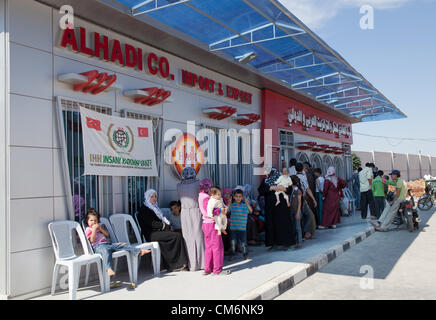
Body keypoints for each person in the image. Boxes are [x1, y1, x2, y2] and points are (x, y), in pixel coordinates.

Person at [84, 208, 151, 282]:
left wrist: (100, 229)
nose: (93, 222)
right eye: (91, 220)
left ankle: (139, 251)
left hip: (107, 244)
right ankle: (108, 268)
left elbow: (107, 235)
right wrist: (93, 230)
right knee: (106, 251)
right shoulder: (88, 229)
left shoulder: (98, 228)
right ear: (87, 221)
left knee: (122, 245)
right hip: (98, 247)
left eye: (95, 220)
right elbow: (92, 240)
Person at [137, 189, 188, 272]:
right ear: (147, 198)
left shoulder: (154, 207)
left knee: (174, 234)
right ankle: (178, 264)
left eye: (155, 196)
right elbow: (152, 223)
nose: (154, 198)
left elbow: (161, 219)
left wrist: (167, 226)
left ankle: (169, 264)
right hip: (151, 234)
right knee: (176, 236)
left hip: (157, 232)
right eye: (152, 197)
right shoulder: (144, 209)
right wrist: (165, 227)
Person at [198, 178, 230, 275]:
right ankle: (217, 270)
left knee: (209, 247)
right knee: (218, 247)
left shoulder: (200, 196)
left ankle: (208, 269)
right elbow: (211, 212)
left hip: (205, 224)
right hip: (213, 224)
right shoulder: (207, 198)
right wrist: (222, 210)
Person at [176, 167, 205, 272]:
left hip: (185, 213)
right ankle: (202, 263)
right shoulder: (199, 184)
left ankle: (192, 264)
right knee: (199, 236)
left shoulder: (179, 185)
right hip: (196, 211)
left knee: (188, 238)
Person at [258, 167, 281, 249]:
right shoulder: (265, 180)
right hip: (268, 206)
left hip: (278, 205)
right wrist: (269, 189)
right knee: (270, 224)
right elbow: (260, 190)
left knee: (277, 223)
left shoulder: (279, 180)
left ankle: (278, 242)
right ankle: (271, 243)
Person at [228, 189, 253, 260]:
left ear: (242, 197)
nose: (238, 198)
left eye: (240, 196)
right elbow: (226, 211)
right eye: (236, 196)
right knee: (233, 243)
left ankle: (245, 255)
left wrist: (247, 204)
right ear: (234, 197)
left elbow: (251, 211)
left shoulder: (244, 206)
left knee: (244, 243)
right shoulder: (232, 205)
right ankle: (232, 255)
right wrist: (229, 204)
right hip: (233, 228)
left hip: (242, 228)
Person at [296, 162, 316, 239]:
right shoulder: (303, 177)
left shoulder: (293, 177)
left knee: (300, 218)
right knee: (309, 216)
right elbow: (307, 189)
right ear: (303, 169)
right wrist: (314, 199)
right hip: (302, 199)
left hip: (295, 201)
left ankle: (301, 235)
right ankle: (305, 233)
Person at [289, 175, 303, 248]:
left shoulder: (298, 191)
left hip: (296, 210)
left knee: (298, 227)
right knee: (293, 227)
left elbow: (299, 203)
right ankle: (294, 241)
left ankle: (299, 242)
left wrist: (298, 212)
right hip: (291, 210)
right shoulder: (291, 190)